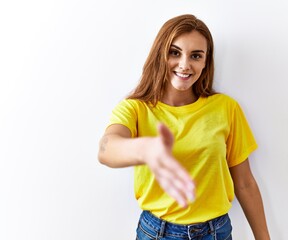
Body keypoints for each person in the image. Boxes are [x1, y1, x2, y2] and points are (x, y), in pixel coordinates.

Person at [98, 14, 270, 240]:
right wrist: (145, 149)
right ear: (160, 54)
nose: (184, 64)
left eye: (196, 56)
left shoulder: (226, 108)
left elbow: (245, 183)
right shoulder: (135, 109)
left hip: (216, 233)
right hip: (157, 233)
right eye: (175, 52)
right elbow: (107, 149)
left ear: (205, 62)